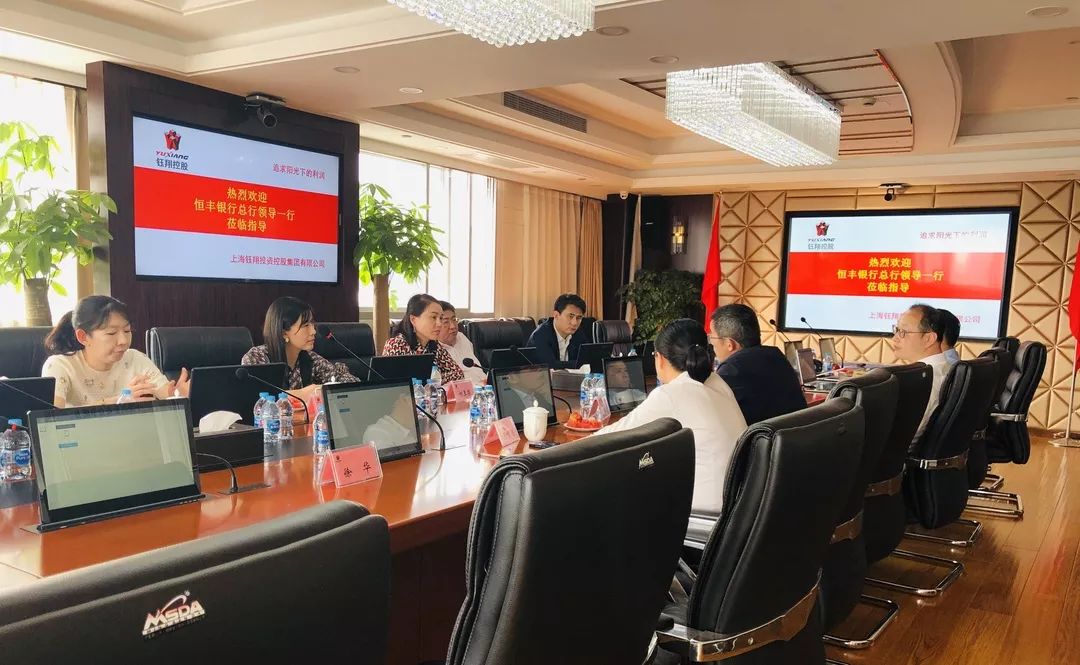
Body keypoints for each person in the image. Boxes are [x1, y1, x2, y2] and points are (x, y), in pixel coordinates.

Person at [593, 319, 747, 514]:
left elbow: (610, 437)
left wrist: (560, 449)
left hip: (705, 517)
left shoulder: (673, 393)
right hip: (739, 507)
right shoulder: (716, 381)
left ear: (660, 359)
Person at [42, 295, 189, 407]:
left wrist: (177, 396)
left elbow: (167, 395)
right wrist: (118, 402)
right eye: (111, 333)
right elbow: (52, 418)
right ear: (83, 337)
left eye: (127, 330)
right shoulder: (61, 366)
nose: (123, 341)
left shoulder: (135, 359)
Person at [242, 296, 358, 402]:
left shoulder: (311, 358)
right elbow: (255, 398)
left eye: (312, 324)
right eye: (305, 326)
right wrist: (305, 393)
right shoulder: (257, 357)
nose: (313, 331)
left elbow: (350, 383)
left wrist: (328, 387)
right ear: (284, 333)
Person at [708, 304, 805, 426]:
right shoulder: (776, 355)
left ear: (729, 344)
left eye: (712, 336)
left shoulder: (732, 370)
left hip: (764, 437)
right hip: (794, 435)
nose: (711, 342)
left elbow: (712, 417)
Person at [892, 303, 951, 444]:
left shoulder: (924, 379)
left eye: (903, 332)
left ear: (928, 339)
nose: (894, 338)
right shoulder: (945, 368)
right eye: (896, 330)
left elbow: (906, 434)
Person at [383, 294, 465, 382]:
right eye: (433, 317)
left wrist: (431, 379)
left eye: (441, 318)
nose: (439, 324)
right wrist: (433, 379)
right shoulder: (396, 344)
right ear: (413, 320)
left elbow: (458, 374)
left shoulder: (434, 346)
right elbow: (397, 384)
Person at [526, 293, 588, 369]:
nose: (574, 323)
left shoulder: (578, 333)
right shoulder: (540, 335)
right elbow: (550, 366)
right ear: (556, 315)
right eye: (570, 316)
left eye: (579, 317)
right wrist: (579, 364)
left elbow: (587, 360)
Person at [437, 300, 486, 385]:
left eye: (454, 320)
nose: (453, 326)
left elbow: (476, 369)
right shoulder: (434, 348)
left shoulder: (461, 337)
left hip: (485, 387)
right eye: (446, 322)